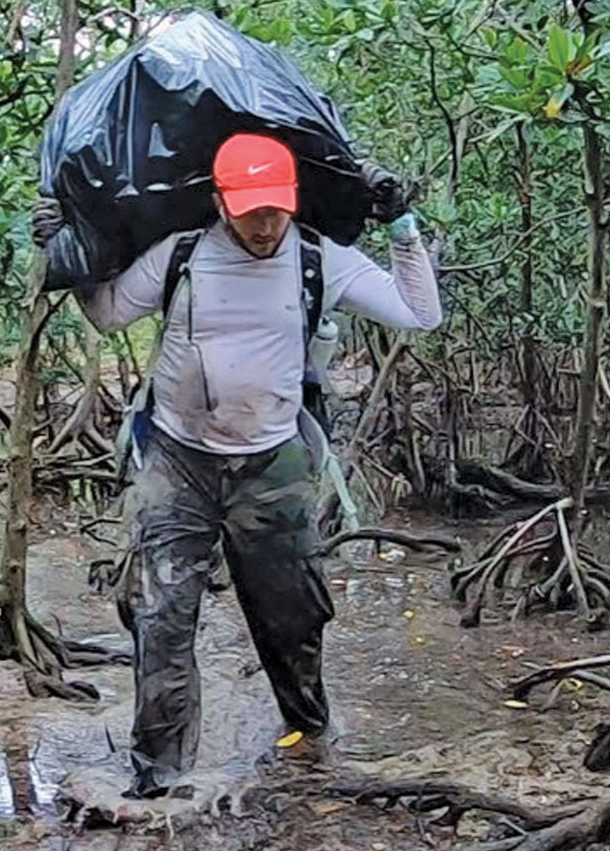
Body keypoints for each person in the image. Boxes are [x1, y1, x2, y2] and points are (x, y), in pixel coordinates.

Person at [37, 132, 441, 799]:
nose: (265, 223)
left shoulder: (318, 258)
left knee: (293, 616)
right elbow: (107, 312)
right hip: (177, 461)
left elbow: (419, 313)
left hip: (272, 463)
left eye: (275, 208)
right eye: (251, 208)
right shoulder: (182, 253)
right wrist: (68, 247)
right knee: (163, 619)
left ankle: (308, 735)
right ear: (221, 200)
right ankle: (160, 778)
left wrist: (401, 225)